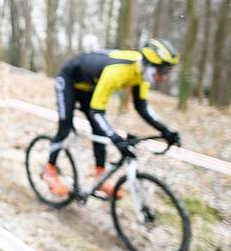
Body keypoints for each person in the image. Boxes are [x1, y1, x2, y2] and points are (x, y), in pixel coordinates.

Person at [42, 39, 182, 197]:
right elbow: (97, 111)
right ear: (148, 63)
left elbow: (142, 107)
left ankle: (100, 177)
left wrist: (165, 131)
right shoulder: (118, 71)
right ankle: (49, 170)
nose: (164, 77)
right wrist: (116, 139)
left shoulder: (140, 74)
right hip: (68, 80)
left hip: (89, 86)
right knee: (65, 125)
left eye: (167, 72)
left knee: (100, 130)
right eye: (162, 71)